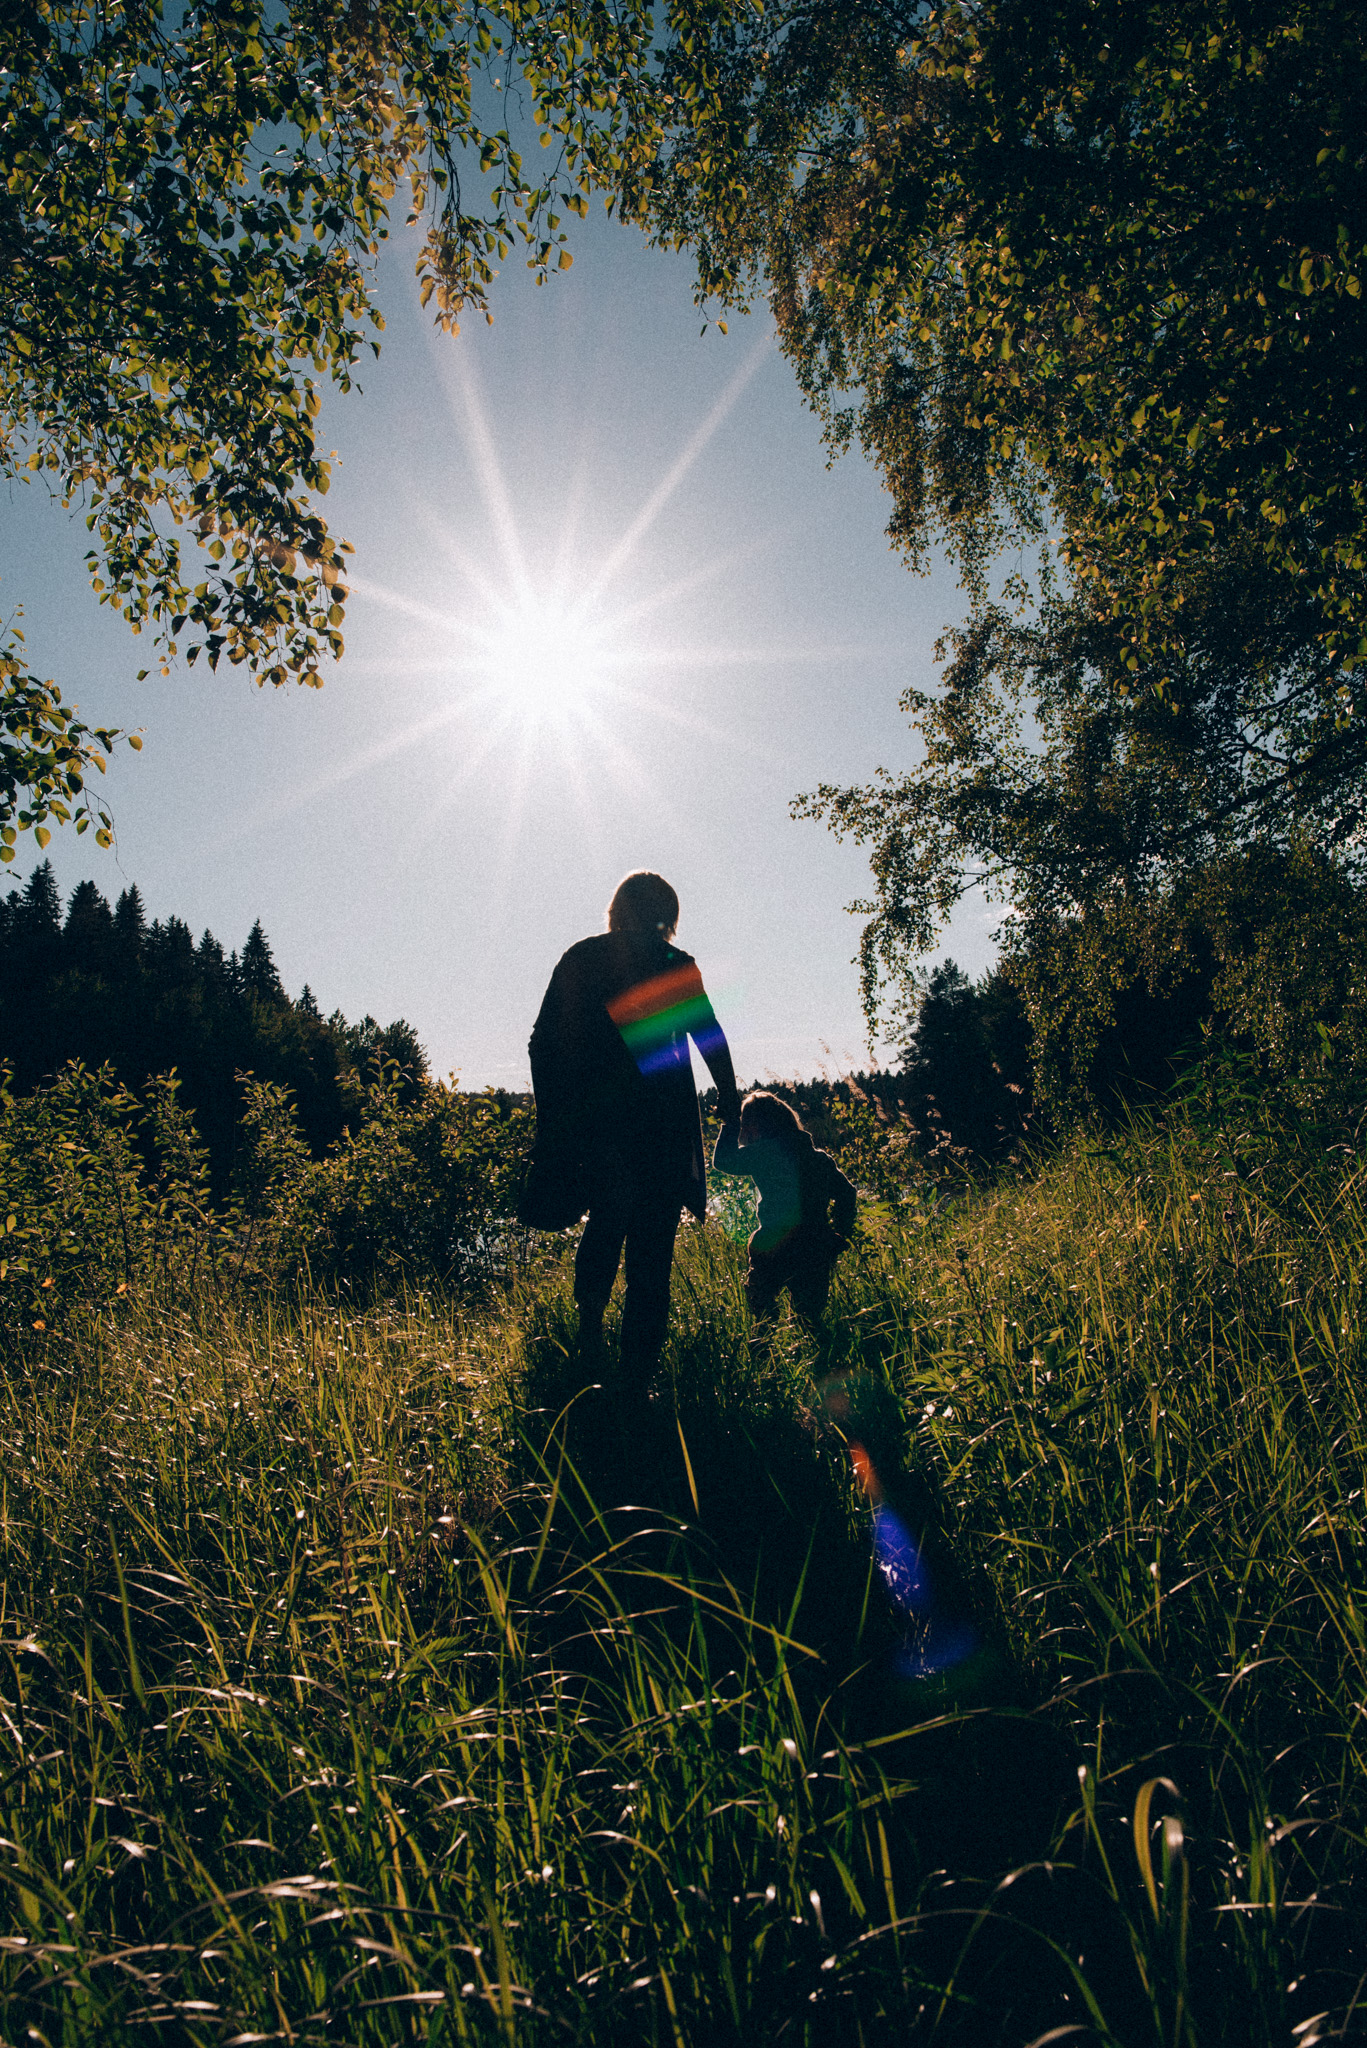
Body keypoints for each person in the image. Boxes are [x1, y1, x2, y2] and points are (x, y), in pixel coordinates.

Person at [526, 871, 741, 1378]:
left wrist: (554, 1122)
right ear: (668, 915)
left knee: (605, 1224)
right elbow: (710, 1039)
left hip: (597, 1128)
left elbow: (541, 1043)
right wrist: (730, 1103)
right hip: (662, 1129)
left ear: (616, 909)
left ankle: (588, 1342)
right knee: (652, 1256)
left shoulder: (581, 957)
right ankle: (636, 1381)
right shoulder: (674, 964)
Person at [713, 1090, 857, 1338]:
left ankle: (764, 1367)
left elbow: (723, 1161)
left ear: (756, 1125)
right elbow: (847, 1194)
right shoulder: (818, 1158)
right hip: (815, 1246)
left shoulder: (766, 1154)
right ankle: (823, 1366)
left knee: (763, 1320)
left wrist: (729, 1124)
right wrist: (840, 1234)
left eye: (746, 1123)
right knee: (809, 1320)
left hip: (772, 1247)